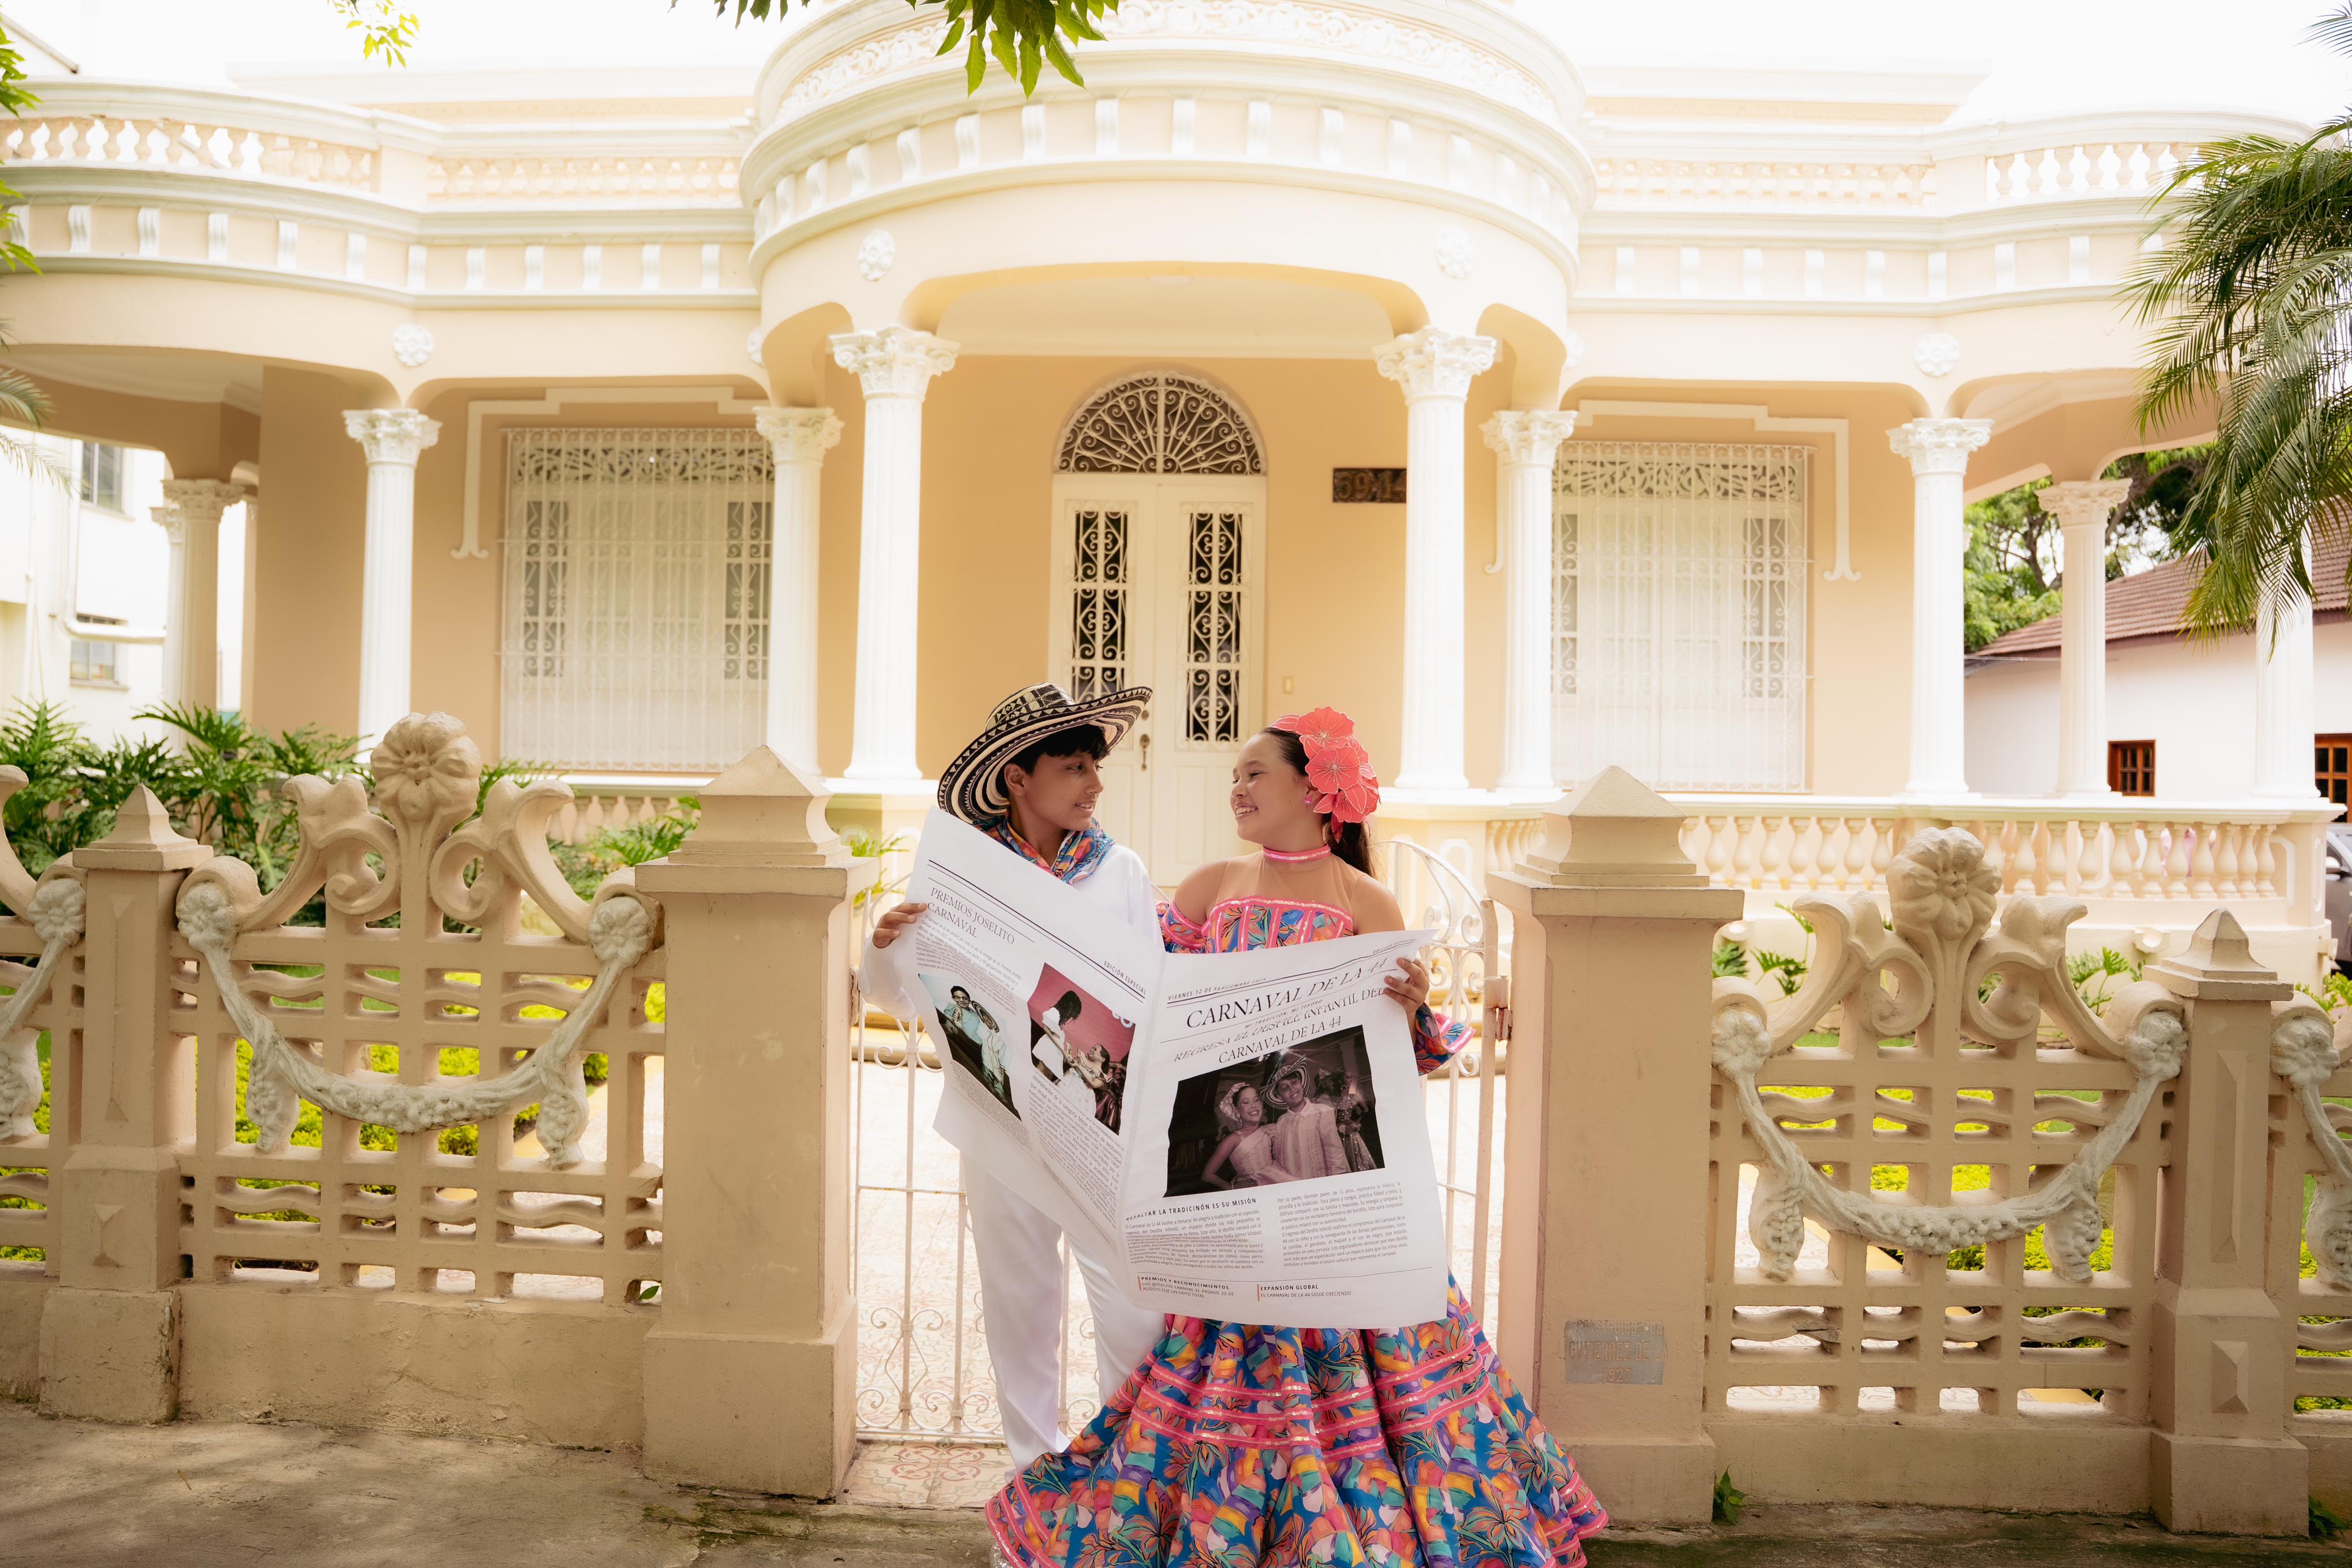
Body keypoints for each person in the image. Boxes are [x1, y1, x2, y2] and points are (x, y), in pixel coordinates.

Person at [987, 706, 1608, 1568]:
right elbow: (1149, 1014)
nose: (1235, 787)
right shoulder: (1208, 888)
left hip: (1336, 1193)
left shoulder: (1367, 899)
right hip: (1239, 1199)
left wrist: (1410, 1000)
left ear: (1319, 792)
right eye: (1235, 775)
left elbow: (1408, 1055)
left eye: (1254, 774)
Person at [860, 681, 1171, 1474]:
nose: (1095, 784)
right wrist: (887, 942)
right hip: (1001, 1120)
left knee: (1137, 1316)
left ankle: (1123, 1486)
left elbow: (1149, 992)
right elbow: (898, 994)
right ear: (1017, 778)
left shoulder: (1121, 870)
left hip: (1101, 1126)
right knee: (1020, 1306)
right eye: (1074, 766)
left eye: (1095, 767)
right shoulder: (964, 876)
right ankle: (1035, 1478)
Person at [1199, 1081, 1294, 1189]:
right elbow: (1207, 1175)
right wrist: (1231, 1187)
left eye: (1256, 1100)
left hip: (1277, 1178)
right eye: (1246, 1102)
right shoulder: (1233, 1139)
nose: (1253, 1106)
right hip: (1253, 1188)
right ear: (1236, 1109)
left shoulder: (1269, 1130)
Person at [1263, 1058, 1347, 1180]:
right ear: (1280, 1097)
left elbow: (1334, 1152)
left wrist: (1335, 1184)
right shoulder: (1281, 1122)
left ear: (1301, 1083)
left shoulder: (1322, 1111)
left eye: (1294, 1083)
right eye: (1285, 1088)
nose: (1292, 1089)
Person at [943, 985, 1010, 1102]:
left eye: (964, 998)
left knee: (996, 1049)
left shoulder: (974, 1013)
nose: (961, 1001)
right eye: (957, 998)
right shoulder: (954, 1008)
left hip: (980, 1044)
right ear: (953, 998)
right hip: (968, 1044)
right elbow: (949, 1022)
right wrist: (953, 1019)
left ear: (969, 1000)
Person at [1317, 1067, 1378, 1173]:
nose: (1350, 1081)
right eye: (1348, 1078)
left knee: (1357, 1159)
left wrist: (1356, 1122)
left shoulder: (1353, 1097)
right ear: (1341, 1081)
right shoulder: (1333, 1099)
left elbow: (1366, 1110)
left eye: (1351, 1078)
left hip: (1351, 1133)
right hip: (1338, 1133)